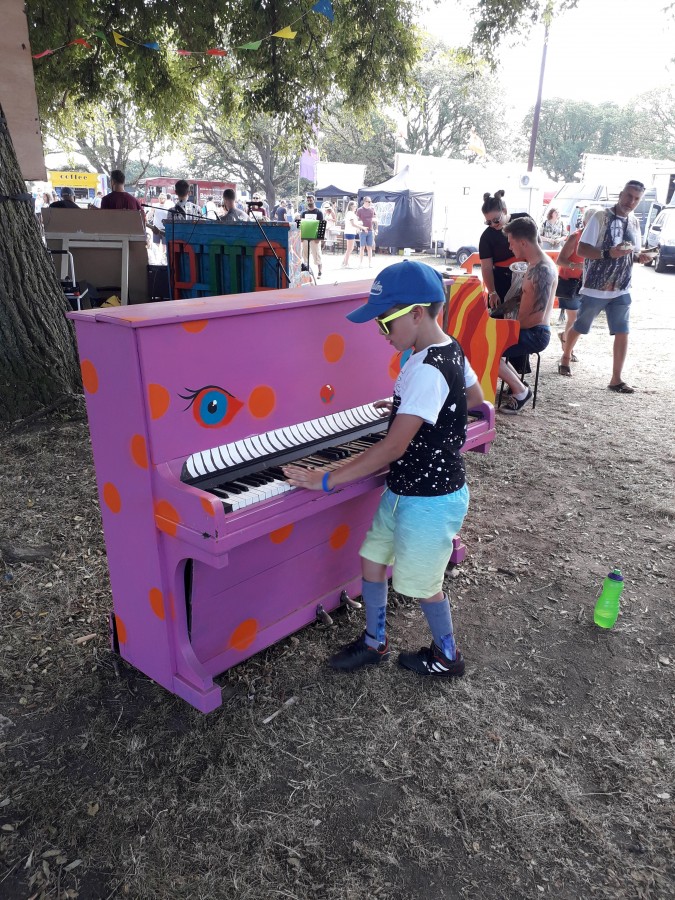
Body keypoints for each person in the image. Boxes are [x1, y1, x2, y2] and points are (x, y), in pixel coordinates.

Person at [283, 260, 484, 677]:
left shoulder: (427, 370)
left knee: (424, 585)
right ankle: (375, 641)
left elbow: (393, 447)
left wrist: (327, 478)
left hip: (430, 500)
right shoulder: (446, 348)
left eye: (384, 322)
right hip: (404, 490)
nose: (381, 332)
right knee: (373, 559)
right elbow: (474, 397)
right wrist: (409, 407)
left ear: (416, 313)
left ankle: (447, 656)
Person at [559, 180, 652, 393]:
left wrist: (641, 257)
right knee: (580, 326)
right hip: (596, 286)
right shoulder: (600, 217)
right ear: (621, 194)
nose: (631, 201)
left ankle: (616, 379)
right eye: (629, 196)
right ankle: (565, 356)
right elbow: (582, 250)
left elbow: (633, 253)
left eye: (636, 199)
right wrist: (608, 253)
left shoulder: (634, 222)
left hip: (622, 287)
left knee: (623, 331)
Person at [497, 216, 557, 414]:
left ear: (522, 242)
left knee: (485, 347)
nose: (510, 247)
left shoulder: (543, 269)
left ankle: (521, 391)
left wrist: (506, 329)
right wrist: (496, 315)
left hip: (535, 333)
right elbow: (523, 299)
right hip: (528, 329)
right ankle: (519, 387)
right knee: (484, 341)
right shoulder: (535, 264)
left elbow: (536, 317)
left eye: (511, 243)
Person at [555, 207, 597, 375]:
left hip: (587, 284)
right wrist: (576, 265)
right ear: (585, 222)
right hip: (570, 283)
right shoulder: (575, 237)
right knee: (574, 319)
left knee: (578, 319)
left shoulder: (599, 239)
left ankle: (566, 341)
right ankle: (568, 351)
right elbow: (560, 260)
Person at [479, 190, 529, 308]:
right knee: (500, 316)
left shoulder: (524, 220)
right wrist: (492, 292)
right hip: (501, 280)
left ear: (504, 211)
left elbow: (537, 245)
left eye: (496, 220)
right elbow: (486, 267)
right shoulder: (486, 237)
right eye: (488, 222)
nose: (493, 224)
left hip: (527, 275)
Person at [300, 194, 324, 278]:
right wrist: (301, 237)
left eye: (311, 200)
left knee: (317, 254)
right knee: (305, 254)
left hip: (315, 237)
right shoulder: (304, 213)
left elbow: (321, 225)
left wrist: (319, 237)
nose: (309, 202)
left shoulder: (319, 212)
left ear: (314, 200)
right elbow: (301, 225)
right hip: (306, 236)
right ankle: (306, 271)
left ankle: (320, 271)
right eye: (308, 200)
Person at [341, 200, 364, 268]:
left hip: (351, 232)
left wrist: (359, 224)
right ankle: (346, 263)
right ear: (351, 206)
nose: (355, 207)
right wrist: (361, 227)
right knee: (350, 249)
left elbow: (354, 223)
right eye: (354, 206)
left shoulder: (351, 214)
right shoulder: (350, 213)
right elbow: (353, 224)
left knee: (350, 248)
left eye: (356, 206)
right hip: (350, 232)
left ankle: (344, 262)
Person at [356, 196, 377, 267]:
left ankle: (370, 263)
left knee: (369, 247)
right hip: (362, 230)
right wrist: (358, 228)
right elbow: (357, 220)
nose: (370, 203)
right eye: (369, 201)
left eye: (370, 201)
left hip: (370, 230)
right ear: (365, 202)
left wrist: (376, 229)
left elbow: (375, 219)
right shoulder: (359, 210)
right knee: (362, 247)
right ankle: (360, 263)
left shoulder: (372, 209)